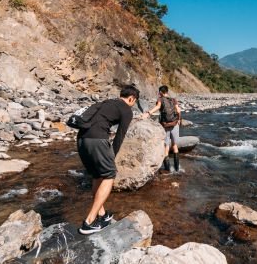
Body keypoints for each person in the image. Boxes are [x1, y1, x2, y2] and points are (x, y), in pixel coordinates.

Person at [76, 85, 140, 235]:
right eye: (134, 102)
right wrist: (112, 155)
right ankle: (89, 222)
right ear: (132, 99)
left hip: (81, 139)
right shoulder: (126, 110)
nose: (133, 104)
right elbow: (120, 136)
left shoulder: (107, 103)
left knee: (98, 175)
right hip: (97, 140)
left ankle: (102, 214)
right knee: (110, 174)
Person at [142, 85, 182, 172]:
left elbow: (158, 107)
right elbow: (179, 110)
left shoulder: (160, 99)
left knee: (166, 147)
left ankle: (168, 171)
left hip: (165, 126)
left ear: (160, 92)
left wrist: (148, 113)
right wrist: (179, 119)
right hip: (175, 124)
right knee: (175, 146)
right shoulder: (173, 99)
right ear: (167, 91)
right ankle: (177, 169)